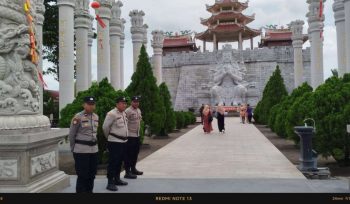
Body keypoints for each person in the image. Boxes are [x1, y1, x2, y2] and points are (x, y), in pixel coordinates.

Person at [69, 96, 99, 193]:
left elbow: (95, 133)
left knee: (92, 174)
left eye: (93, 104)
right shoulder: (78, 117)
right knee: (82, 175)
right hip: (81, 150)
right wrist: (73, 149)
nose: (91, 106)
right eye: (89, 104)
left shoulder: (96, 117)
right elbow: (72, 134)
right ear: (84, 105)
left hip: (94, 150)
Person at [103, 96, 129, 191]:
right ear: (117, 104)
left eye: (125, 103)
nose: (124, 105)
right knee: (113, 162)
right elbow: (105, 127)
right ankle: (110, 182)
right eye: (122, 103)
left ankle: (117, 179)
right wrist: (110, 138)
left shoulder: (124, 113)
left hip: (123, 141)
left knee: (119, 162)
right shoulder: (111, 114)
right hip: (114, 142)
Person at [124, 96, 143, 179]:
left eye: (137, 101)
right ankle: (127, 172)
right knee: (129, 155)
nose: (136, 103)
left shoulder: (138, 110)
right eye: (134, 101)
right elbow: (124, 123)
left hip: (137, 135)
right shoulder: (128, 111)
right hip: (130, 136)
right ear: (131, 102)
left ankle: (133, 169)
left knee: (135, 154)